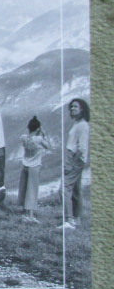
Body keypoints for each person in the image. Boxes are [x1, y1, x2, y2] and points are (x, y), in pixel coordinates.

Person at [59, 99, 90, 230]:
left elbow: (81, 148)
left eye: (76, 107)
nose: (72, 108)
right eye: (71, 106)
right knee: (76, 190)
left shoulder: (82, 125)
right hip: (75, 158)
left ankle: (68, 220)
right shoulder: (78, 124)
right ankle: (76, 219)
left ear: (82, 109)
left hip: (75, 159)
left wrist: (71, 164)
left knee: (64, 188)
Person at [17, 116, 51, 223]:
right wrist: (44, 134)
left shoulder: (23, 138)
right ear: (38, 128)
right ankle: (30, 216)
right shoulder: (39, 139)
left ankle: (25, 214)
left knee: (24, 189)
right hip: (34, 166)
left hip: (25, 166)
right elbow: (48, 146)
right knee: (32, 190)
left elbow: (27, 137)